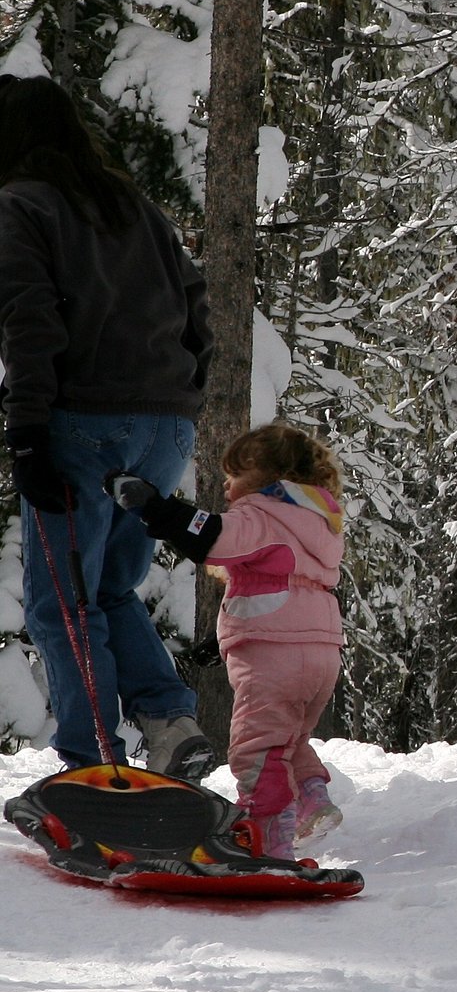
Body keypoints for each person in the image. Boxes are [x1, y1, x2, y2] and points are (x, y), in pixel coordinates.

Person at [0, 75, 213, 777]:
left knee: (61, 603)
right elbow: (196, 304)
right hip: (167, 427)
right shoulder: (134, 205)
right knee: (111, 590)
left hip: (83, 424)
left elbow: (29, 323)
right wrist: (185, 390)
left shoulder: (19, 205)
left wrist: (28, 434)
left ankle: (93, 763)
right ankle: (170, 721)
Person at [114, 423, 347, 858]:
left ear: (264, 474)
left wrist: (155, 508)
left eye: (235, 473)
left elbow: (210, 536)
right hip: (321, 652)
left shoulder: (262, 513)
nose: (226, 484)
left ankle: (266, 838)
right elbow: (282, 586)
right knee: (289, 739)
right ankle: (312, 798)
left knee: (256, 748)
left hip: (275, 655)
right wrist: (218, 640)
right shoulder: (318, 521)